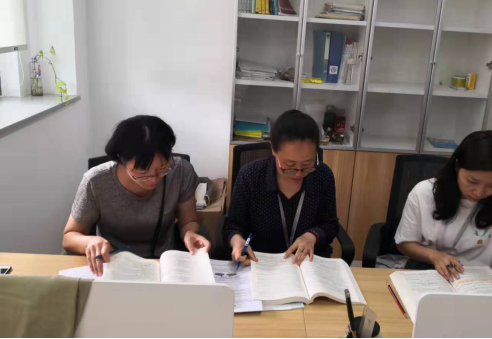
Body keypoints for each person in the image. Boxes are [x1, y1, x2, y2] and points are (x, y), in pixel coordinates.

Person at [63, 116, 211, 277]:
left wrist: (189, 233)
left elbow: (188, 221)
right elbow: (69, 237)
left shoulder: (181, 171)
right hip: (114, 265)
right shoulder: (96, 181)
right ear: (121, 159)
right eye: (143, 173)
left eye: (162, 169)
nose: (153, 179)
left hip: (163, 265)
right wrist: (89, 242)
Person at [395, 131, 492, 295]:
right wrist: (434, 256)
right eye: (472, 181)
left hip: (476, 283)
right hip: (425, 273)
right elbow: (404, 244)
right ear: (457, 166)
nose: (479, 192)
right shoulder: (423, 193)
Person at [223, 110, 340, 267]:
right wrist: (237, 241)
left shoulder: (322, 175)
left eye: (307, 165)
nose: (298, 173)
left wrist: (313, 236)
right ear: (274, 149)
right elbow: (233, 225)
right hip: (261, 264)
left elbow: (330, 225)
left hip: (307, 265)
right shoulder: (250, 175)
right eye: (290, 165)